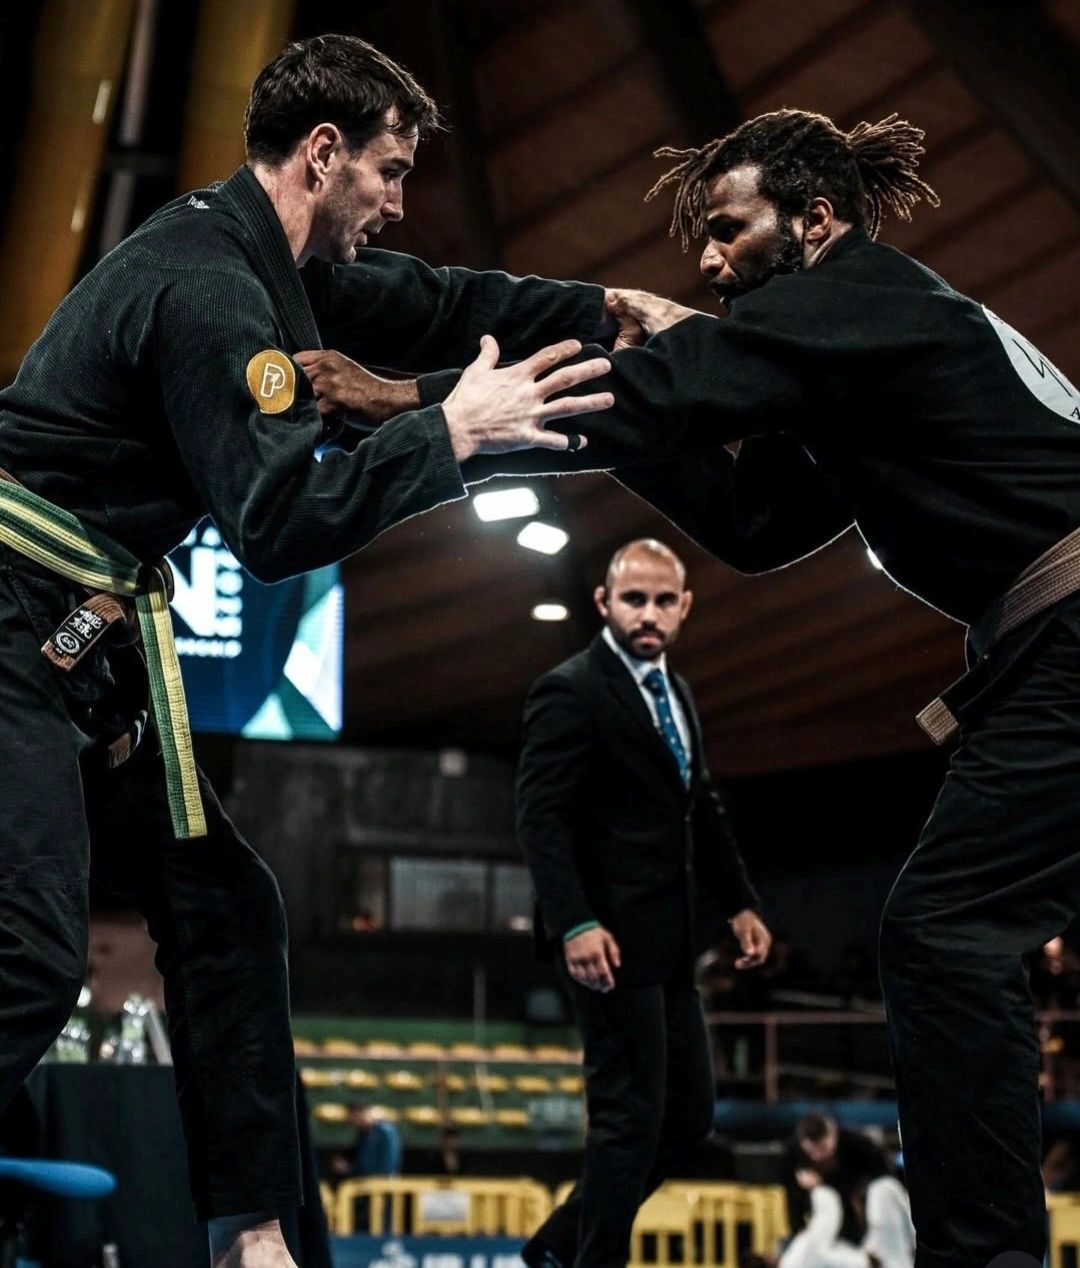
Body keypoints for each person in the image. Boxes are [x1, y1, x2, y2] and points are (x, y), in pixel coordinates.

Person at [318, 106, 1080, 1268]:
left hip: (1069, 640)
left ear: (816, 220)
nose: (712, 262)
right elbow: (755, 521)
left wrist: (406, 402)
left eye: (730, 231)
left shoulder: (858, 294)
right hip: (1050, 641)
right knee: (952, 932)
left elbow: (654, 393)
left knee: (943, 934)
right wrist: (660, 385)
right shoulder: (871, 338)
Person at [0, 34, 618, 1268]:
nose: (395, 201)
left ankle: (256, 1235)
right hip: (15, 609)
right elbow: (280, 524)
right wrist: (448, 430)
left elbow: (441, 302)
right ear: (324, 152)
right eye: (388, 170)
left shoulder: (268, 262)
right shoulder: (214, 290)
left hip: (87, 625)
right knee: (28, 947)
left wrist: (605, 311)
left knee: (227, 903)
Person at [514, 537, 772, 1268]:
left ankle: (555, 1249)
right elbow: (540, 817)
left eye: (664, 600)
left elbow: (701, 804)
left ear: (685, 607)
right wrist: (575, 921)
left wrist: (739, 902)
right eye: (634, 598)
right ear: (604, 603)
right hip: (605, 942)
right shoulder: (570, 689)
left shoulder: (676, 691)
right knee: (628, 1121)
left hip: (670, 943)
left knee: (688, 1121)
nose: (648, 613)